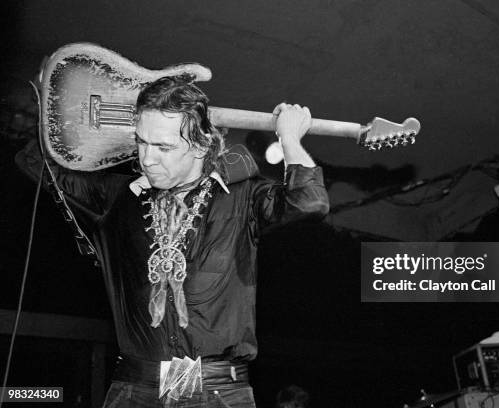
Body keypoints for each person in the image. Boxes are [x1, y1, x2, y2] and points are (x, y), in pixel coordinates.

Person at [17, 76, 329, 407]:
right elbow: (33, 161)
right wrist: (67, 113)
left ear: (200, 146)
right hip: (135, 388)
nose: (148, 158)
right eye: (142, 142)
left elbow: (310, 201)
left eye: (164, 147)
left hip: (218, 391)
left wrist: (290, 138)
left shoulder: (242, 197)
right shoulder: (115, 197)